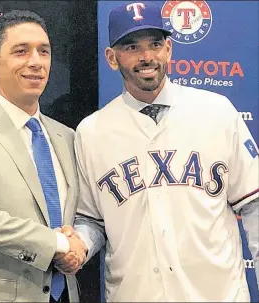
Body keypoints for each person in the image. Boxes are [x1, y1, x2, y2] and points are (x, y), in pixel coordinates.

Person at [61, 2, 259, 302]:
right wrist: (79, 246)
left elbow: (254, 207)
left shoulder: (217, 112)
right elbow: (92, 221)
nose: (146, 56)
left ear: (169, 49)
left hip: (216, 294)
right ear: (112, 58)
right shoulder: (92, 132)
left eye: (155, 44)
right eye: (131, 47)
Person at [0, 10, 87, 303]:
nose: (36, 62)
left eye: (43, 51)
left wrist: (80, 244)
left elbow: (84, 215)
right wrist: (57, 244)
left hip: (64, 296)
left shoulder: (68, 137)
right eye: (21, 51)